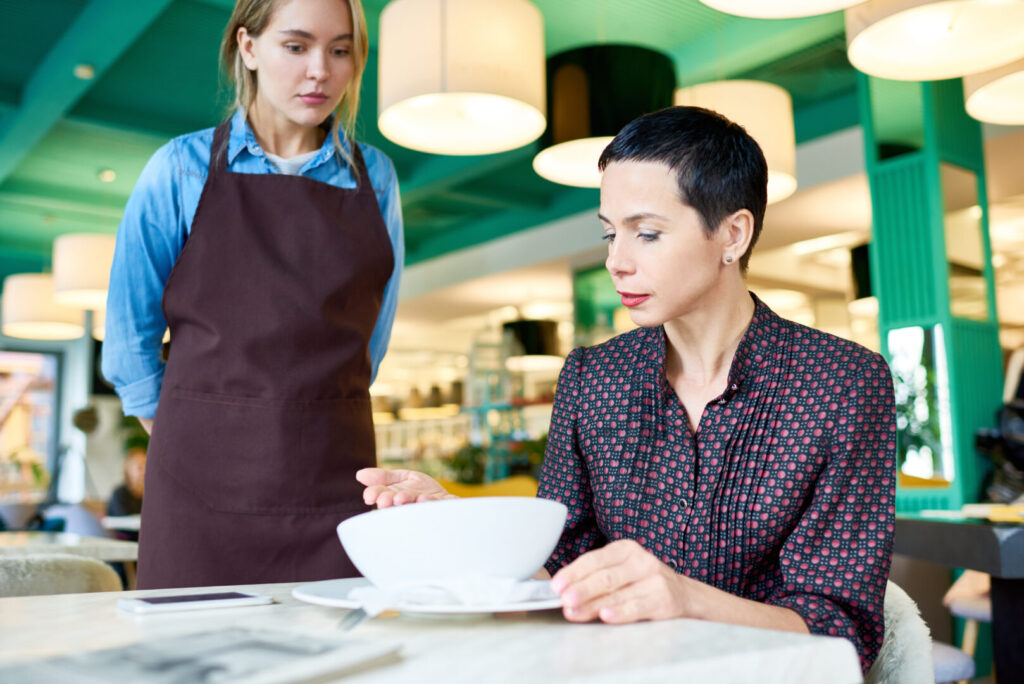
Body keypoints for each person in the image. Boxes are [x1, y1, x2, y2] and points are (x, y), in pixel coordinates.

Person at [357, 106, 895, 674]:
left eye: (648, 233)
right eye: (611, 233)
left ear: (733, 234)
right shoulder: (593, 379)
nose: (616, 261)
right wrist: (464, 527)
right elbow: (561, 567)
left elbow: (843, 630)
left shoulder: (843, 383)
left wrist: (684, 599)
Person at [103, 0, 403, 589]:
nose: (320, 70)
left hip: (336, 479)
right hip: (198, 489)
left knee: (330, 663)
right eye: (296, 46)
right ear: (248, 48)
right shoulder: (181, 169)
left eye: (340, 50)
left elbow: (373, 338)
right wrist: (194, 431)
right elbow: (127, 338)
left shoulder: (378, 178)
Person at [106, 444, 147, 520]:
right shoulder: (119, 493)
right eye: (140, 467)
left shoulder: (152, 493)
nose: (145, 471)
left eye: (146, 466)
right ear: (128, 470)